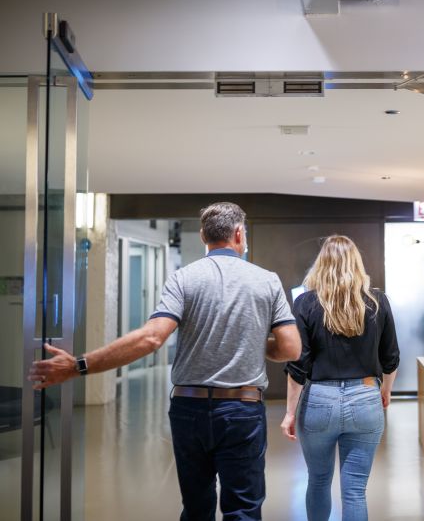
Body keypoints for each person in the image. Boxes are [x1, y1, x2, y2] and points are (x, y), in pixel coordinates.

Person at [28, 201, 302, 520]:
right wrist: (260, 346)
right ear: (240, 234)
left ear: (203, 236)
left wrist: (79, 365)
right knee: (243, 509)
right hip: (242, 410)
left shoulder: (183, 278)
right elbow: (291, 348)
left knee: (196, 507)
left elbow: (151, 338)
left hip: (190, 410)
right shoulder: (265, 280)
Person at [280, 235, 399, 521]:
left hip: (319, 400)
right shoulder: (377, 301)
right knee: (355, 490)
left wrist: (289, 413)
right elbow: (391, 357)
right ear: (357, 263)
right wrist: (386, 392)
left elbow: (298, 364)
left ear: (321, 263)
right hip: (366, 396)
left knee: (318, 481)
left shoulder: (305, 303)